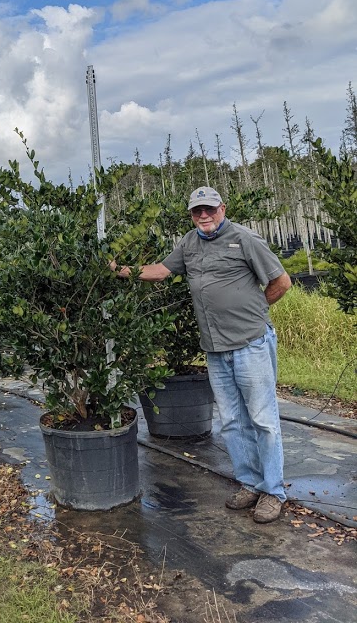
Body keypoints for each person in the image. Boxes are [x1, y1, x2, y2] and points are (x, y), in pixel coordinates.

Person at [112, 186, 292, 524]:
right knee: (232, 420)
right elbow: (161, 271)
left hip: (250, 343)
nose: (204, 216)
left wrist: (253, 311)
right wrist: (117, 269)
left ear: (222, 208)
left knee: (263, 420)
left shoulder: (246, 239)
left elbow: (282, 282)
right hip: (215, 350)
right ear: (191, 214)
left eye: (209, 209)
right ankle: (250, 483)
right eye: (197, 211)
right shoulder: (189, 243)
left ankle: (273, 491)